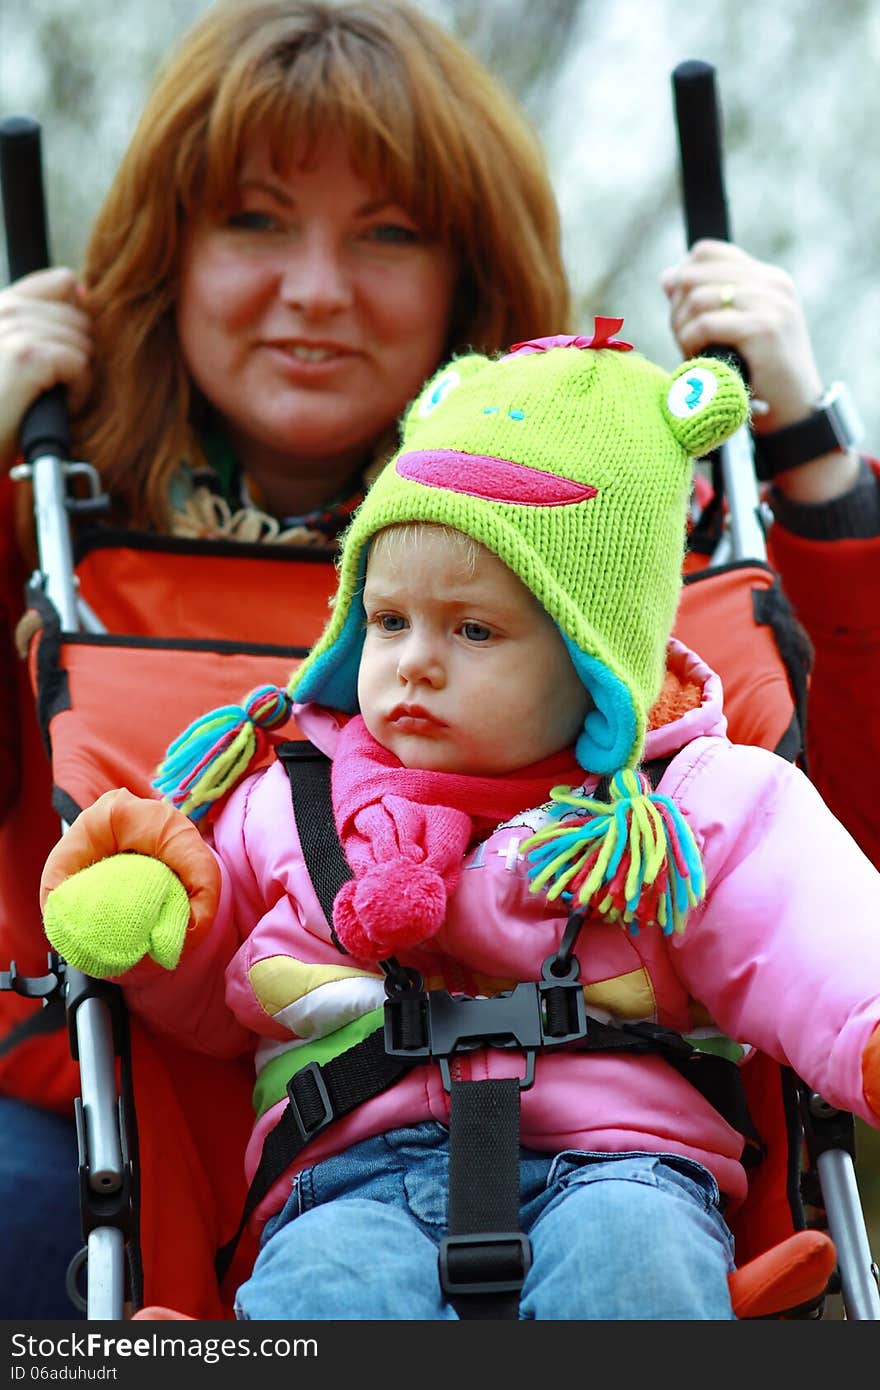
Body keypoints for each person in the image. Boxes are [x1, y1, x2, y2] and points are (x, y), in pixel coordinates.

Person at [39, 332, 880, 1320]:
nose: (414, 663)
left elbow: (807, 929)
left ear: (589, 658)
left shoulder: (682, 803)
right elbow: (216, 989)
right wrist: (153, 922)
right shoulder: (289, 798)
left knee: (637, 1269)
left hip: (622, 1162)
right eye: (388, 622)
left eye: (472, 630)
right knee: (320, 1294)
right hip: (343, 1174)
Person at [0, 0, 572, 1319]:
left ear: (466, 280)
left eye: (387, 233)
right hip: (80, 1133)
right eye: (257, 221)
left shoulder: (581, 538)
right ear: (172, 254)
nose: (316, 288)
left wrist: (821, 479)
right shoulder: (44, 530)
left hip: (506, 1119)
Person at [661, 239, 880, 866]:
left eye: (389, 235)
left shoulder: (682, 537)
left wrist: (815, 466)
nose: (350, 293)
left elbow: (852, 853)